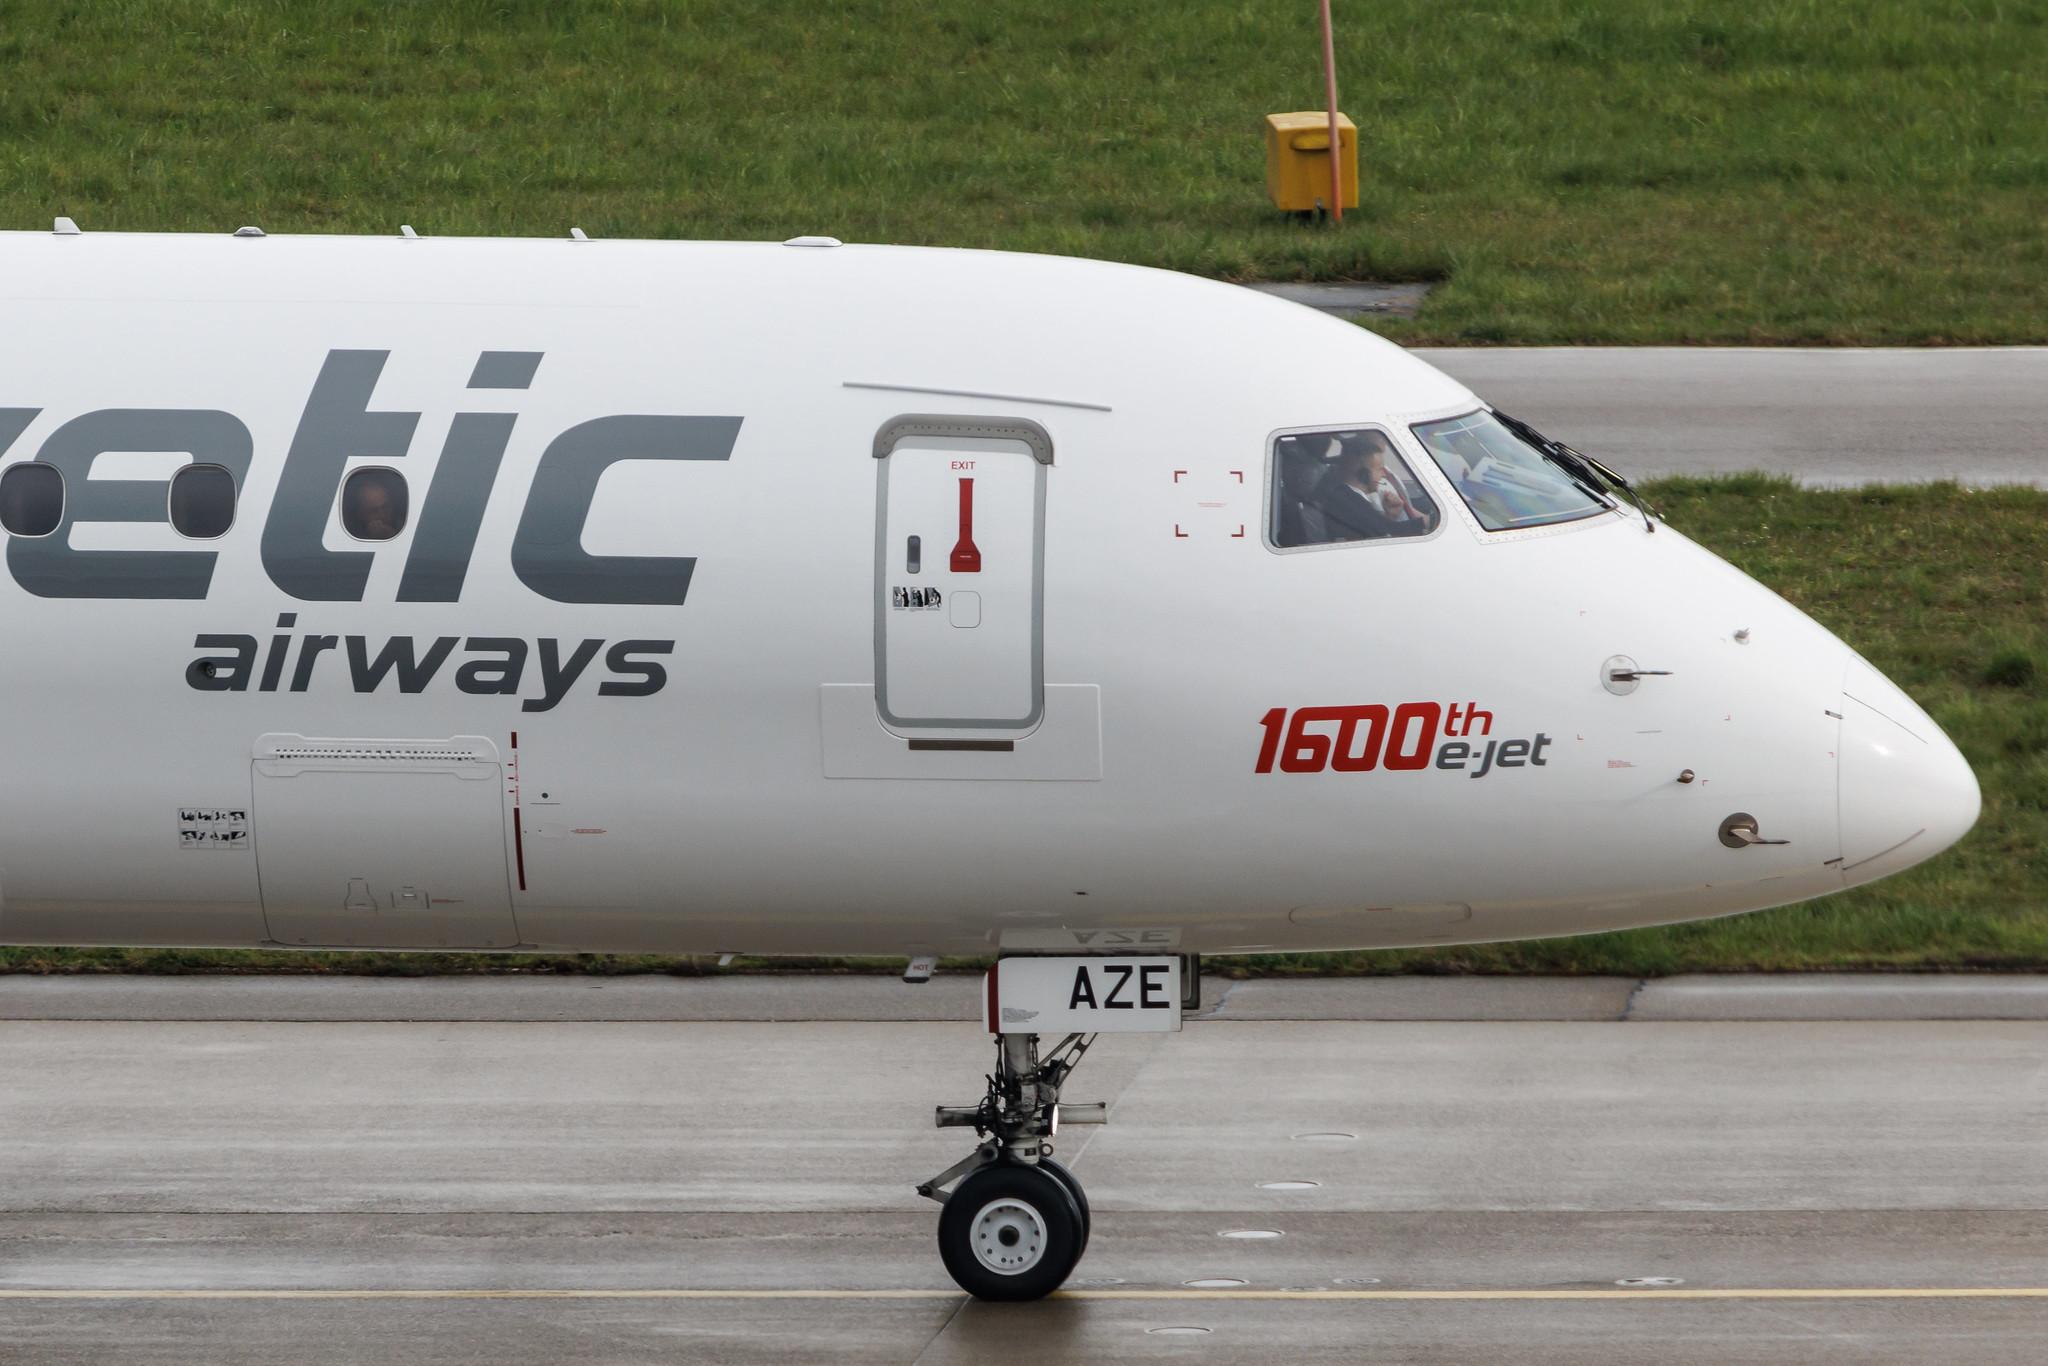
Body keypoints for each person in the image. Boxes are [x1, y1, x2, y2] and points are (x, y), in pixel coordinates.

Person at [1314, 434, 1435, 540]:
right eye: (1379, 469)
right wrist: (1431, 521)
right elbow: (1390, 532)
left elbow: (1378, 528)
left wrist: (1391, 516)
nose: (1383, 474)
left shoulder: (1349, 495)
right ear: (1363, 473)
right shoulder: (1346, 501)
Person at [344, 471, 405, 540]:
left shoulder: (405, 526)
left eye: (385, 507)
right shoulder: (350, 536)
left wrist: (391, 535)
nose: (382, 515)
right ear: (360, 514)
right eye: (374, 511)